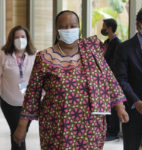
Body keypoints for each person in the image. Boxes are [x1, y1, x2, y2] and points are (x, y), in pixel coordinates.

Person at [13, 10, 129, 150]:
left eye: (73, 26)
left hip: (91, 126)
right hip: (57, 126)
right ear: (57, 31)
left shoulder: (91, 52)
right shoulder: (44, 57)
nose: (69, 29)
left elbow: (108, 78)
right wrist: (22, 126)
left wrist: (120, 108)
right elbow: (32, 94)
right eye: (64, 26)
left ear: (79, 29)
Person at [114, 6, 142, 150]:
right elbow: (121, 79)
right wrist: (136, 101)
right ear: (138, 24)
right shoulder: (125, 48)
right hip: (134, 112)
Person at [0, 25, 37, 150]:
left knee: (20, 133)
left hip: (29, 103)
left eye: (23, 37)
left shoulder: (35, 55)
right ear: (11, 39)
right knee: (17, 132)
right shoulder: (3, 55)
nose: (20, 39)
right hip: (9, 102)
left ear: (27, 38)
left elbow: (39, 78)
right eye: (16, 37)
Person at [101, 18, 121, 141]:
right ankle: (108, 130)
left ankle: (113, 133)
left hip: (113, 79)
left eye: (103, 26)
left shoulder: (117, 43)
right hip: (105, 79)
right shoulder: (107, 42)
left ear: (109, 28)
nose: (102, 28)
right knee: (108, 106)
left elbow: (115, 63)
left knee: (114, 106)